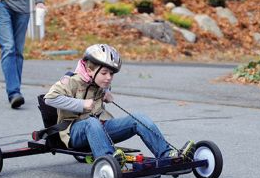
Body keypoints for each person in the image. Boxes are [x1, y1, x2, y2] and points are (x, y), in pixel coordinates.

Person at [44, 44, 195, 166]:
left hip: (100, 128)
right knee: (91, 122)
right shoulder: (71, 81)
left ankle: (168, 155)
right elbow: (50, 98)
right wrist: (81, 104)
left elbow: (103, 87)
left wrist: (106, 93)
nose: (109, 78)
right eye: (104, 73)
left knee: (138, 118)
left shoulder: (100, 82)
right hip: (74, 133)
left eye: (112, 73)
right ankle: (108, 162)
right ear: (89, 70)